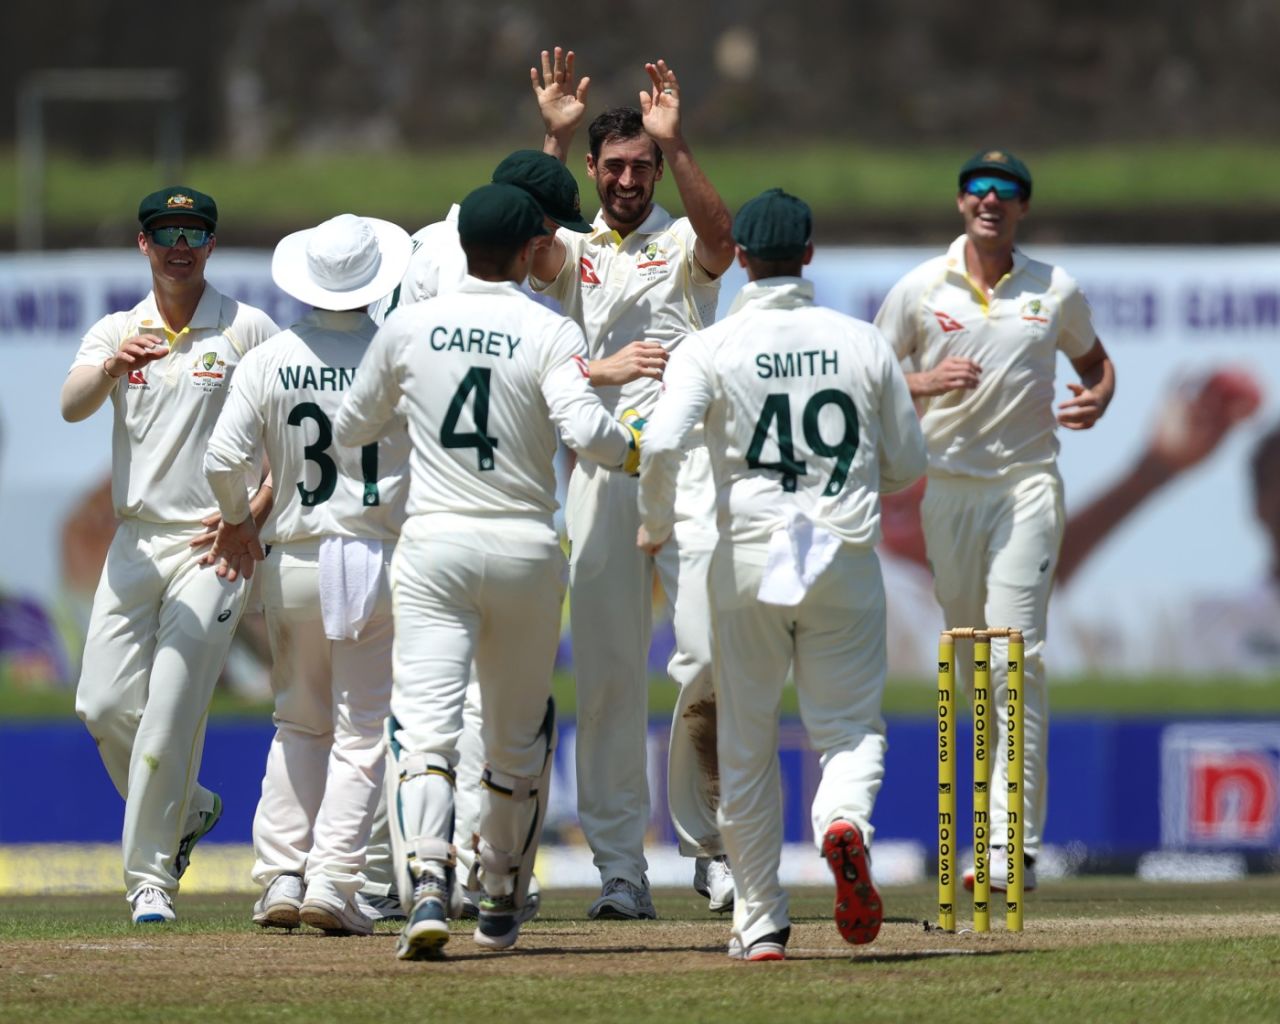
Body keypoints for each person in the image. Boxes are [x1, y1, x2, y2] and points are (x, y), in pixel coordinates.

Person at [334, 183, 637, 958]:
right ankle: (499, 891)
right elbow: (590, 435)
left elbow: (349, 429)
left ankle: (429, 885)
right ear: (533, 248)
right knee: (515, 736)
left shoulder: (408, 326)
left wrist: (416, 414)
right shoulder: (549, 328)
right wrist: (640, 448)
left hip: (434, 543)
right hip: (526, 548)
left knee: (426, 728)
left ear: (462, 241)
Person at [638, 188, 926, 960]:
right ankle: (843, 826)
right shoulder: (861, 341)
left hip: (746, 562)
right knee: (849, 729)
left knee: (746, 741)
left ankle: (760, 919)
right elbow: (908, 463)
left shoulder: (712, 347)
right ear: (807, 253)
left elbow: (662, 442)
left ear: (740, 259)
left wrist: (656, 521)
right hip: (841, 555)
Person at [874, 149, 1116, 892]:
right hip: (947, 492)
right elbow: (872, 381)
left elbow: (1096, 365)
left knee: (1017, 658)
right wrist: (925, 379)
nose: (990, 201)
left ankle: (1013, 846)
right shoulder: (919, 289)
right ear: (960, 204)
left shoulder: (1055, 289)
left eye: (1005, 192)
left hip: (1026, 489)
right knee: (968, 660)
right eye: (978, 190)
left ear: (1022, 208)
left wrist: (1098, 398)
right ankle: (974, 831)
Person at [530, 52, 737, 919]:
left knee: (709, 658)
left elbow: (725, 242)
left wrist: (676, 140)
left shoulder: (682, 242)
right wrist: (552, 132)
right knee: (610, 676)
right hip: (604, 474)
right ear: (591, 171)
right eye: (611, 167)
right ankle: (621, 869)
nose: (625, 180)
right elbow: (520, 233)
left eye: (639, 168)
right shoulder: (569, 246)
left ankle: (716, 847)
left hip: (689, 474)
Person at [60, 186, 279, 923]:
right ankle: (191, 809)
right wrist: (113, 366)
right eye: (165, 232)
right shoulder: (118, 330)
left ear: (210, 245)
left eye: (193, 232)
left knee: (171, 709)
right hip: (136, 542)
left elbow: (291, 439)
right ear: (143, 244)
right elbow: (72, 402)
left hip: (215, 545)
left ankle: (150, 878)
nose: (179, 245)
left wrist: (250, 515)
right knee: (101, 705)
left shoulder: (246, 328)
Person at [203, 213, 412, 936]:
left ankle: (282, 877)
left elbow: (223, 462)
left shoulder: (269, 359)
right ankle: (332, 878)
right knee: (361, 728)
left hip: (291, 554)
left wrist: (238, 518)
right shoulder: (398, 352)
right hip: (372, 552)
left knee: (297, 720)